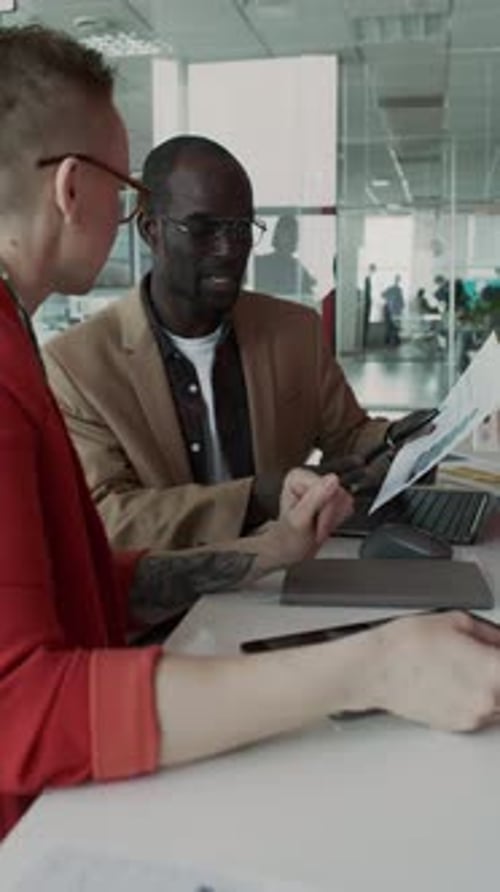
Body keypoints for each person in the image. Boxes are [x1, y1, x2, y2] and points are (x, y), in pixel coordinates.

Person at [3, 24, 500, 843]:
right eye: (125, 190)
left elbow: (81, 580)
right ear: (71, 189)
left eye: (245, 228)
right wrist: (366, 666)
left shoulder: (14, 343)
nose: (232, 252)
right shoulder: (39, 363)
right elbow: (19, 709)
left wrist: (266, 552)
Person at [45, 135, 423, 552]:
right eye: (204, 229)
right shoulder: (76, 366)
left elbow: (348, 437)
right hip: (167, 604)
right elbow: (109, 519)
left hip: (285, 581)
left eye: (241, 228)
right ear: (150, 229)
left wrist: (403, 442)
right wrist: (255, 498)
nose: (229, 250)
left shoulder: (295, 331)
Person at [254, 213, 316, 297]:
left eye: (294, 233)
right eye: (286, 231)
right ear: (277, 234)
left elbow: (308, 299)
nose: (291, 237)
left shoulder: (299, 270)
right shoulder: (259, 264)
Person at [382, 274, 404, 346]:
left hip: (388, 309)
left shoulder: (391, 289)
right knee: (394, 326)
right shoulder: (397, 289)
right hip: (393, 310)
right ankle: (393, 340)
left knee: (390, 326)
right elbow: (401, 302)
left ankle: (389, 340)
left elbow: (383, 295)